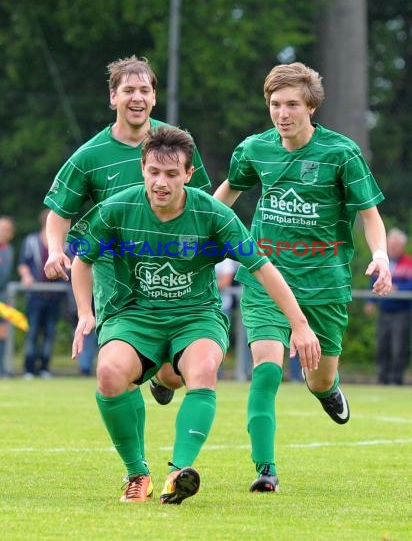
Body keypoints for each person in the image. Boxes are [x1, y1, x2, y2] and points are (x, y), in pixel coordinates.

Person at [69, 125, 320, 503]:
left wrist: (299, 325)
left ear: (189, 174)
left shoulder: (212, 214)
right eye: (154, 172)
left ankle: (178, 474)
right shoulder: (117, 207)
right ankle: (137, 474)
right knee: (108, 373)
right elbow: (82, 260)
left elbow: (262, 266)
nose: (161, 182)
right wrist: (85, 313)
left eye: (172, 174)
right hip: (135, 316)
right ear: (142, 169)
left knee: (202, 370)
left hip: (196, 316)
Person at [214, 62, 392, 493]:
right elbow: (224, 198)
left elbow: (370, 215)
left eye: (292, 104)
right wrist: (195, 229)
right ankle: (265, 470)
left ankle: (328, 390)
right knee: (266, 371)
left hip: (324, 287)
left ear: (311, 106)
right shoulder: (254, 149)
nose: (282, 113)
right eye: (275, 104)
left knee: (319, 378)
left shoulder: (340, 153)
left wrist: (382, 255)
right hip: (265, 280)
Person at [43, 55, 208, 402]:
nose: (137, 98)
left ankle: (163, 375)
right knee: (120, 372)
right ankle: (137, 455)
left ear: (154, 97)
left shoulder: (175, 145)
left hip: (170, 271)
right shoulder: (90, 155)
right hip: (115, 279)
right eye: (128, 90)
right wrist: (56, 249)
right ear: (113, 97)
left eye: (144, 90)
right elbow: (59, 211)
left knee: (173, 374)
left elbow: (203, 205)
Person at [18, 209, 66, 379]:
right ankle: (29, 368)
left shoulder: (65, 244)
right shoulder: (31, 241)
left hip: (55, 297)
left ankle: (44, 367)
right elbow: (23, 263)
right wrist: (26, 276)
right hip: (35, 296)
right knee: (32, 332)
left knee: (50, 332)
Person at [364, 227, 412, 385]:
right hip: (384, 311)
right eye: (390, 245)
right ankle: (382, 378)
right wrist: (370, 302)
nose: (392, 248)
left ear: (402, 246)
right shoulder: (383, 263)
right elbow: (373, 282)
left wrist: (399, 289)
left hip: (402, 312)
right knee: (382, 345)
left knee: (398, 347)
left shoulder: (408, 263)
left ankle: (396, 379)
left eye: (395, 245)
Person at [0, 216, 15, 377]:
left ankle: (2, 370)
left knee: (2, 334)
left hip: (2, 299)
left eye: (6, 230)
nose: (3, 232)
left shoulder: (9, 249)